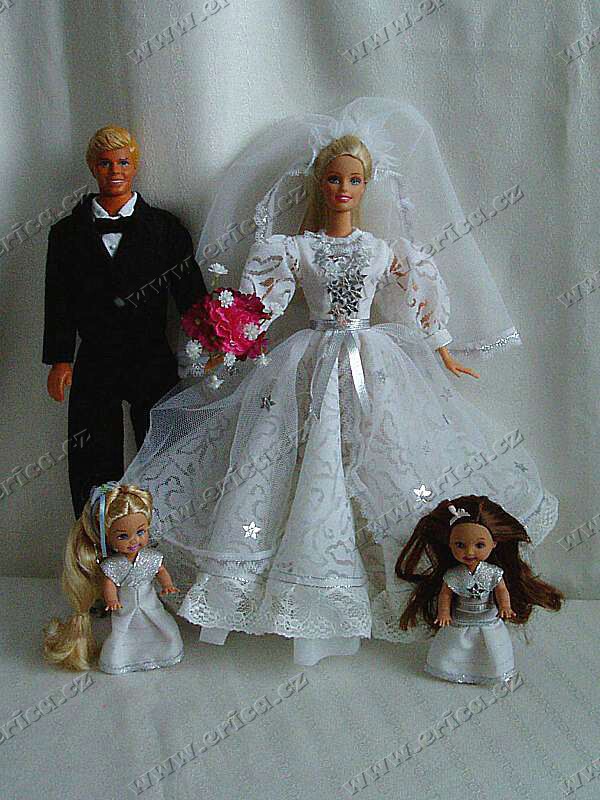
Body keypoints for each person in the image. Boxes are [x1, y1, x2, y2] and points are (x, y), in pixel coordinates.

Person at [122, 98, 558, 666]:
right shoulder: (294, 248)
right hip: (309, 362)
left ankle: (383, 584)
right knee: (301, 459)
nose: (343, 189)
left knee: (383, 459)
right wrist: (224, 345)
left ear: (367, 184)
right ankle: (302, 589)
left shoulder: (382, 250)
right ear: (318, 182)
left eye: (354, 180)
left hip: (373, 360)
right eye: (334, 178)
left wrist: (443, 349)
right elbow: (262, 307)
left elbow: (420, 296)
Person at [43, 125, 207, 517]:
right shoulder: (66, 233)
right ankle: (98, 535)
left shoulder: (165, 228)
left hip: (151, 354)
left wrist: (212, 338)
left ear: (134, 166)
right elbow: (58, 300)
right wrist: (60, 359)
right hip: (95, 356)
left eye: (122, 162)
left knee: (163, 444)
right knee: (92, 451)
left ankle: (165, 531)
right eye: (105, 163)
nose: (114, 171)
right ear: (92, 168)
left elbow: (189, 293)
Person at [395, 495, 563, 685]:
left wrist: (505, 607)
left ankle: (491, 671)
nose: (469, 552)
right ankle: (452, 668)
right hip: (461, 618)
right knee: (455, 646)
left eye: (479, 545)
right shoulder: (453, 575)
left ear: (494, 543)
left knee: (491, 646)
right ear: (449, 544)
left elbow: (501, 590)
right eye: (460, 545)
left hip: (487, 617)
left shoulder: (493, 572)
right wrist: (444, 613)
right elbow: (445, 594)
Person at [44, 483, 183, 674]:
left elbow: (160, 571)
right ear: (107, 538)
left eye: (140, 532)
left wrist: (168, 585)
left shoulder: (151, 557)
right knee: (123, 630)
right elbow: (108, 583)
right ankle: (122, 659)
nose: (134, 541)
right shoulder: (113, 564)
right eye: (123, 536)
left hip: (149, 601)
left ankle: (164, 652)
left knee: (161, 624)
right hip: (126, 605)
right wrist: (112, 600)